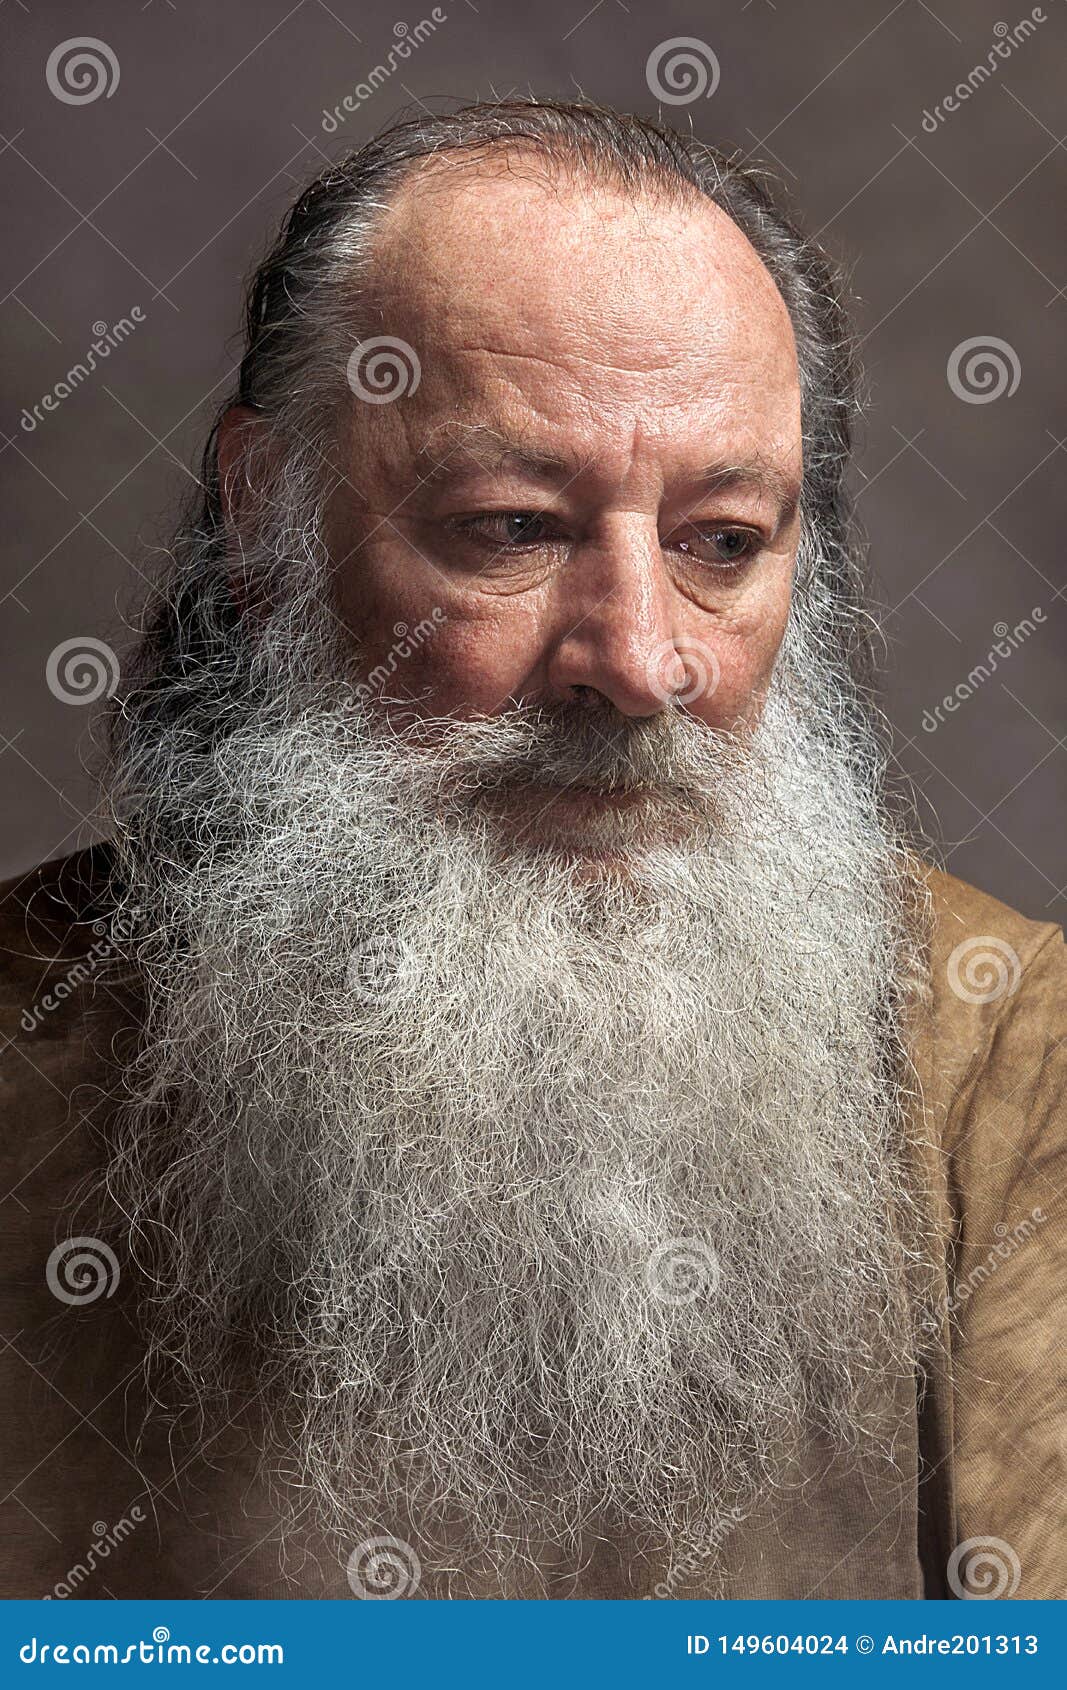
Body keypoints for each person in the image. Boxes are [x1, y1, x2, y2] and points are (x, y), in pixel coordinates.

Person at [1, 98, 1063, 1601]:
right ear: (265, 519)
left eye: (723, 540)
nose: (639, 663)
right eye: (509, 526)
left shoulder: (1019, 1063)